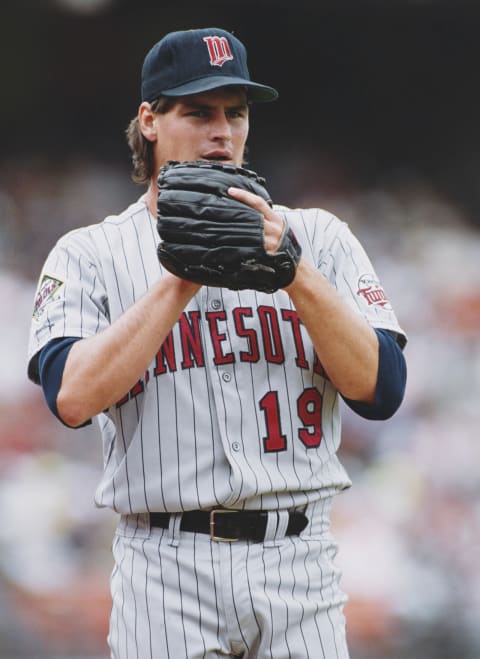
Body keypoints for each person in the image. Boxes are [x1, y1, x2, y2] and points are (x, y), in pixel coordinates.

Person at [27, 27, 407, 659]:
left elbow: (382, 389)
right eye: (198, 112)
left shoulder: (320, 237)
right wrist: (179, 276)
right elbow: (69, 397)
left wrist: (295, 274)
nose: (221, 132)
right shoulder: (91, 253)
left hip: (299, 564)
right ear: (149, 121)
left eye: (236, 113)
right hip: (165, 567)